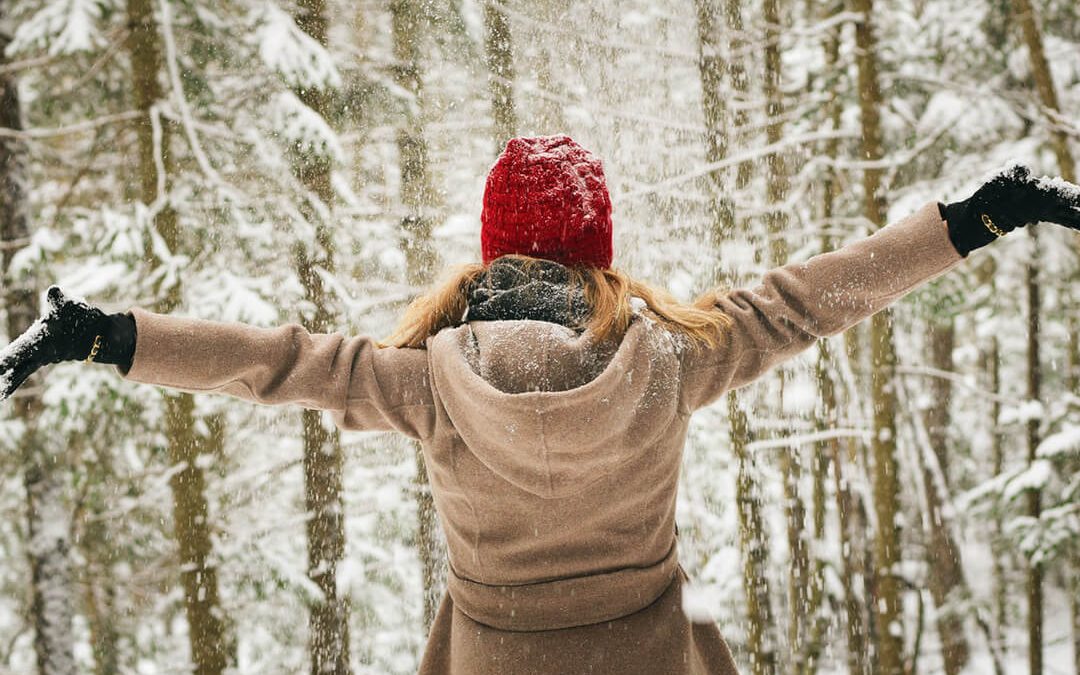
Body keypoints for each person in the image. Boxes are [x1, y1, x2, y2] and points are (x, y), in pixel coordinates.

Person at [2, 135, 1079, 674]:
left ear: (491, 248)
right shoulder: (674, 359)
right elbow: (812, 300)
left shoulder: (427, 382)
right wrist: (976, 219)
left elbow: (278, 363)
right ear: (598, 252)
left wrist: (108, 337)